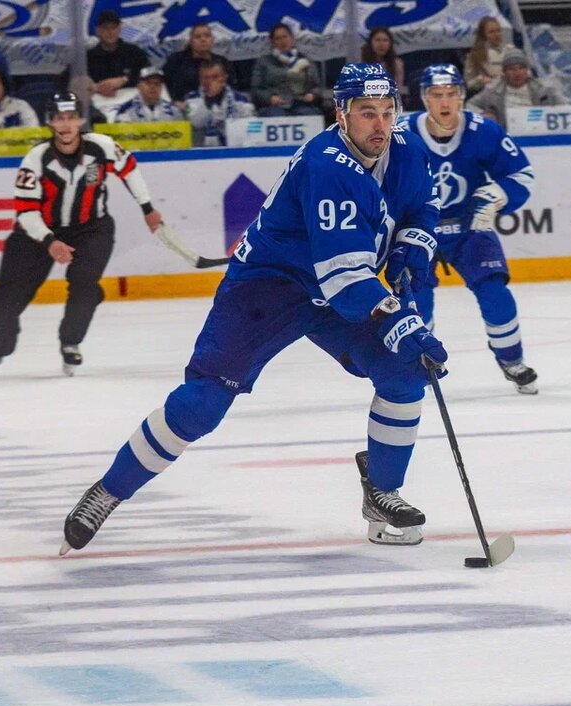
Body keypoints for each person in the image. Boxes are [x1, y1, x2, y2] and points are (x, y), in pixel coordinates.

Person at [60, 65, 446, 555]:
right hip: (269, 289)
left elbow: (422, 209)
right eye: (366, 113)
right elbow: (348, 280)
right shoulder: (326, 165)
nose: (379, 125)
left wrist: (413, 248)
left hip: (338, 287)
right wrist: (399, 321)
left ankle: (382, 492)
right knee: (201, 405)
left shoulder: (405, 149)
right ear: (341, 113)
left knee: (404, 372)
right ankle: (108, 491)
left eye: (387, 113)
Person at [0, 92, 164, 378]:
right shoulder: (36, 159)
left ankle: (71, 341)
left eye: (71, 118)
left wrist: (147, 208)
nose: (66, 125)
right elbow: (26, 212)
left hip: (91, 229)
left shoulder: (102, 147)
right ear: (50, 122)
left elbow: (129, 169)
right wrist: (50, 241)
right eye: (60, 118)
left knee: (85, 283)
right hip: (36, 234)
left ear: (80, 120)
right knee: (9, 293)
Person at [404, 64, 539, 394]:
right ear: (424, 98)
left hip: (470, 226)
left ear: (463, 96)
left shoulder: (484, 131)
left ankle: (511, 360)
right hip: (418, 228)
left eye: (452, 94)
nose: (445, 103)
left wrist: (500, 195)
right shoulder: (402, 134)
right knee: (415, 299)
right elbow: (376, 180)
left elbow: (521, 174)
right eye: (437, 95)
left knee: (495, 292)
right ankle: (421, 362)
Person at [466, 49, 564, 129]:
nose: (517, 73)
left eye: (521, 68)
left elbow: (565, 106)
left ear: (527, 70)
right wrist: (482, 115)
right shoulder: (491, 92)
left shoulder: (545, 90)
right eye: (512, 69)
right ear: (504, 72)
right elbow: (469, 105)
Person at [250, 23, 322, 118]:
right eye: (278, 38)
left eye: (285, 37)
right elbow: (256, 88)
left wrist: (312, 95)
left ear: (292, 38)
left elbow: (316, 86)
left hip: (302, 104)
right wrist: (269, 98)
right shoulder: (263, 62)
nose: (282, 41)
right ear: (272, 42)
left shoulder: (305, 60)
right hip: (274, 106)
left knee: (312, 115)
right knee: (275, 116)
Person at [162, 23, 234, 108]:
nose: (203, 39)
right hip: (181, 109)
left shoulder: (222, 62)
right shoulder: (176, 60)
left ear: (213, 40)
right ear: (190, 41)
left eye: (207, 36)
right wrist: (173, 103)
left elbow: (231, 89)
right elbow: (161, 84)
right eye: (198, 37)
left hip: (217, 109)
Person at [185, 61, 255, 146]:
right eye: (206, 78)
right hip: (202, 149)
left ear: (224, 78)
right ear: (200, 79)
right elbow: (196, 123)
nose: (210, 81)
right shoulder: (191, 98)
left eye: (215, 77)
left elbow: (252, 125)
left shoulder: (241, 98)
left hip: (234, 148)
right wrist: (209, 98)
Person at [87, 10, 151, 99]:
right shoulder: (88, 57)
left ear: (119, 29)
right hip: (99, 105)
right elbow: (68, 80)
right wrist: (94, 87)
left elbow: (150, 76)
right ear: (98, 31)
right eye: (105, 28)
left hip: (132, 103)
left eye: (114, 27)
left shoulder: (134, 52)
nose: (110, 32)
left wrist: (124, 80)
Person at [464, 16, 515, 95]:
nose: (496, 34)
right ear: (483, 35)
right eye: (491, 32)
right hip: (488, 96)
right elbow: (469, 84)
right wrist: (481, 80)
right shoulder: (474, 55)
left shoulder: (511, 50)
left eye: (498, 31)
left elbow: (527, 72)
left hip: (511, 93)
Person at [114, 66, 183, 122]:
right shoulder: (126, 110)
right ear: (139, 86)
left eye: (157, 84)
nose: (153, 87)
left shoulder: (173, 110)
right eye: (148, 83)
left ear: (162, 87)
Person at [362, 27, 406, 102]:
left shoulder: (397, 63)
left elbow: (397, 90)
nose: (381, 44)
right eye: (377, 40)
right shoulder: (362, 64)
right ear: (370, 43)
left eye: (385, 40)